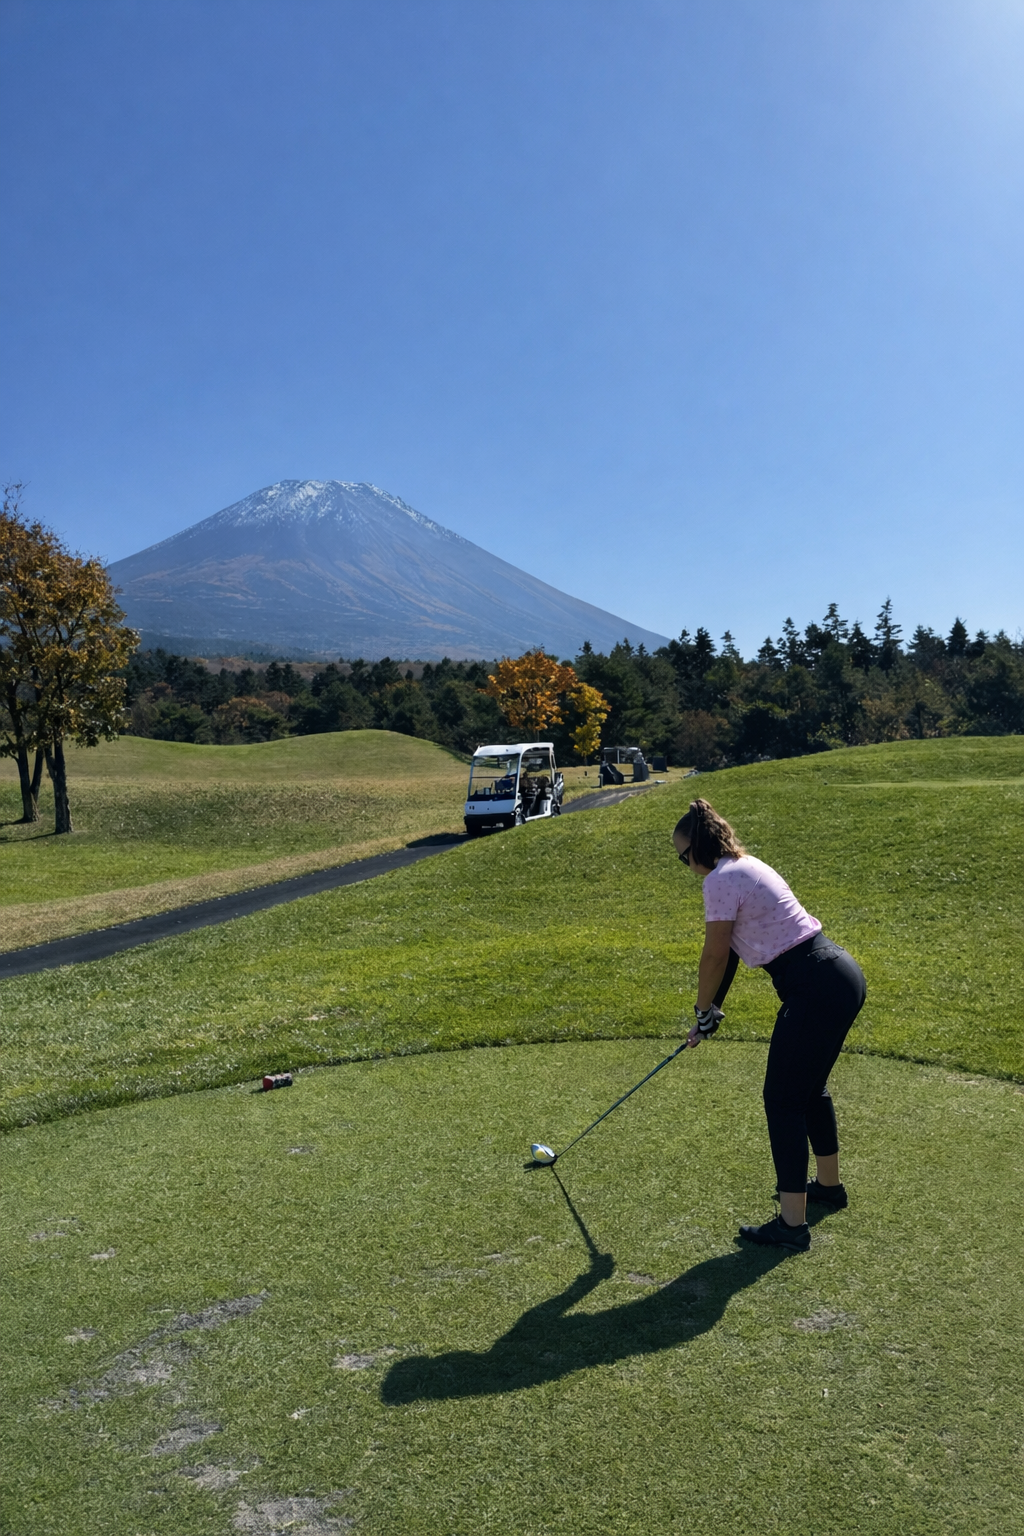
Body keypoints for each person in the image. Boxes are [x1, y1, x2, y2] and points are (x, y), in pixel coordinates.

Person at [673, 798, 866, 1252]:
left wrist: (701, 1010)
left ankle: (792, 1225)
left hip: (814, 988)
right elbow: (737, 952)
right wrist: (712, 1009)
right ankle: (828, 1188)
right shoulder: (746, 865)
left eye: (684, 857)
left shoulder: (718, 880)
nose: (684, 866)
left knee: (781, 1100)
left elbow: (715, 954)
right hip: (838, 975)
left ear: (699, 848)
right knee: (807, 1088)